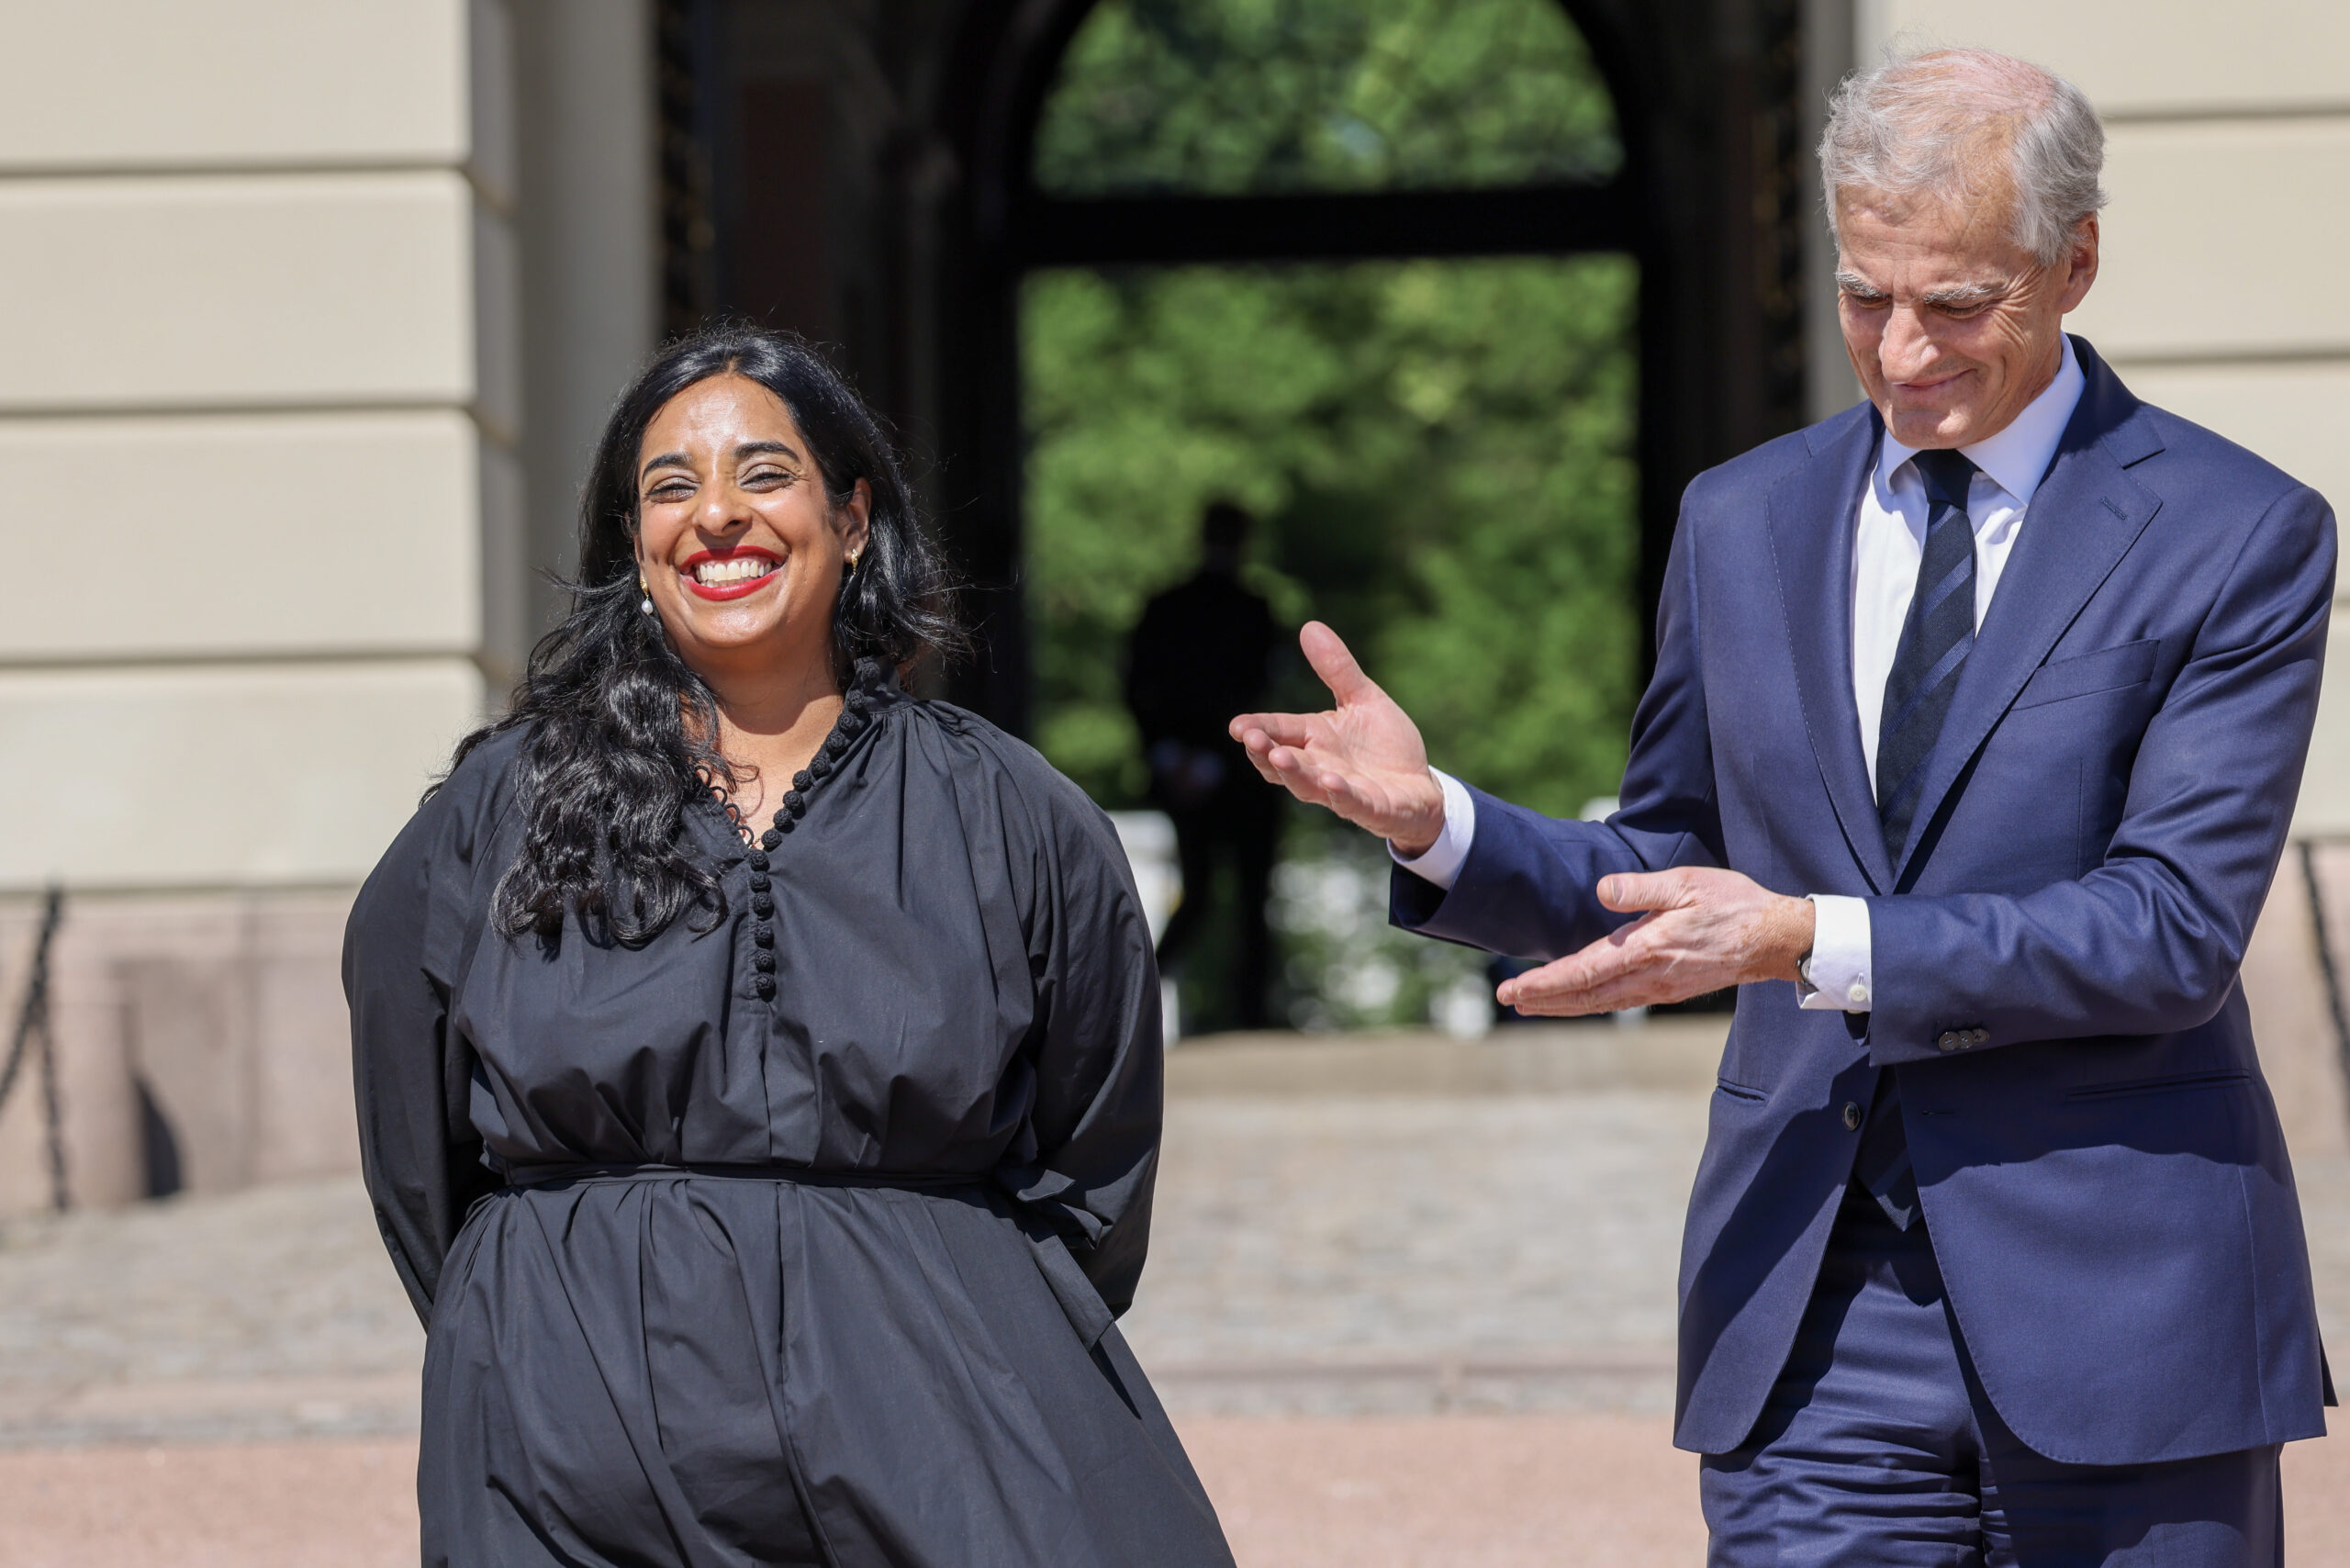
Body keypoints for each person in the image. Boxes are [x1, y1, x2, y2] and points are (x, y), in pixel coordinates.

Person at [1234, 47, 2333, 1566]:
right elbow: (1678, 859)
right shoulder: (1741, 518)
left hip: (2123, 1303)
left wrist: (1817, 934)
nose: (1901, 352)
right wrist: (1443, 824)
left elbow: (2172, 926)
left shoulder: (2238, 532)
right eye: (1863, 295)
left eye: (1956, 304)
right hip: (1811, 1316)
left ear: (2075, 261)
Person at [345, 326, 1235, 1568]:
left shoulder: (1013, 816)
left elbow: (1094, 1164)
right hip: (569, 1421)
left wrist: (905, 1290)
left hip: (934, 1408)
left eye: (763, 476)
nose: (715, 516)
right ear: (633, 543)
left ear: (853, 517)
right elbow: (417, 1148)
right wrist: (542, 1316)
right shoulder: (498, 814)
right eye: (670, 488)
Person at [1125, 501, 1283, 1029]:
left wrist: (1173, 757)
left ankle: (1132, 1005)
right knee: (1245, 900)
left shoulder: (1165, 606)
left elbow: (1138, 690)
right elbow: (1258, 692)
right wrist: (1206, 760)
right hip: (1242, 773)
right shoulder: (1254, 610)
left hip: (1208, 772)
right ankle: (1249, 1017)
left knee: (1206, 894)